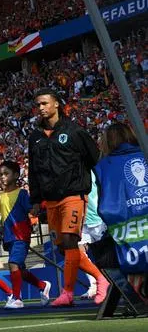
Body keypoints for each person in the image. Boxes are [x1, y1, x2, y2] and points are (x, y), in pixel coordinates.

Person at [27, 88, 108, 306]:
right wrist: (35, 200)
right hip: (50, 200)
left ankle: (67, 292)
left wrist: (103, 189)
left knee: (71, 240)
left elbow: (95, 160)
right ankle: (102, 278)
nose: (41, 108)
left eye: (45, 103)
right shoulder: (35, 137)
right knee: (63, 247)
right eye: (39, 104)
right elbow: (33, 170)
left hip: (74, 194)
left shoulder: (74, 131)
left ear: (56, 105)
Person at [94, 122, 148, 295]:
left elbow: (104, 208)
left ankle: (135, 295)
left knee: (99, 252)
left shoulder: (102, 167)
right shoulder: (145, 154)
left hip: (125, 243)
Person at [0, 160, 51, 308]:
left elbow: (31, 210)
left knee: (13, 264)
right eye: (0, 174)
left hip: (20, 235)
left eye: (6, 174)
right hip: (9, 237)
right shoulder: (1, 196)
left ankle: (17, 298)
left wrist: (37, 207)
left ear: (15, 175)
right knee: (20, 269)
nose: (2, 177)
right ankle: (42, 285)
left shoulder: (22, 193)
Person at [79, 179, 107, 300]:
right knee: (78, 253)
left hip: (98, 219)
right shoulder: (73, 173)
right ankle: (94, 284)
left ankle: (114, 285)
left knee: (105, 254)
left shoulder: (94, 171)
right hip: (80, 220)